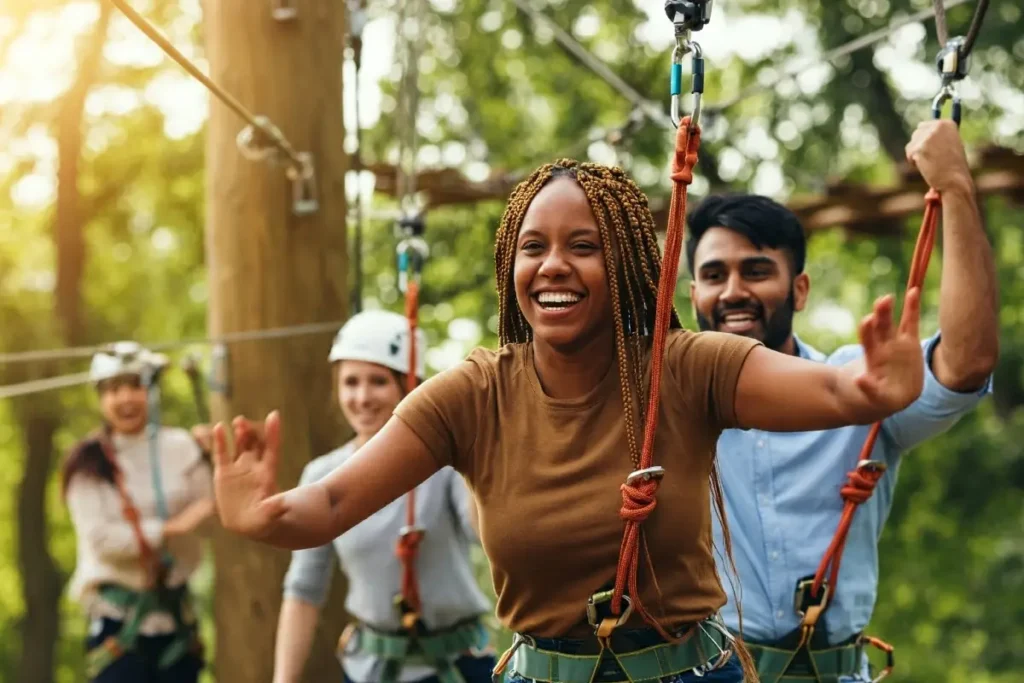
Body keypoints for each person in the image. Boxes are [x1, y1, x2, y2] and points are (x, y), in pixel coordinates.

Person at [210, 159, 927, 683]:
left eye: (584, 246)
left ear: (626, 265)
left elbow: (834, 393)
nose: (554, 265)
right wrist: (264, 516)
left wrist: (871, 384)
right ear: (509, 267)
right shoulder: (474, 393)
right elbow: (332, 500)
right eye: (534, 247)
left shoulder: (685, 368)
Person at [685, 120, 999, 682]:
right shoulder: (671, 406)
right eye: (715, 275)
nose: (733, 291)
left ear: (799, 290)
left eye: (756, 270)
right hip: (713, 670)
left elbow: (968, 360)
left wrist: (955, 186)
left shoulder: (861, 384)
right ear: (693, 295)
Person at [272, 309, 494, 683]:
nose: (361, 397)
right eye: (350, 382)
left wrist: (474, 450)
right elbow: (304, 590)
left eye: (378, 381)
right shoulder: (322, 476)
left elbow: (483, 533)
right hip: (371, 670)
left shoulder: (445, 468)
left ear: (409, 387)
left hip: (457, 666)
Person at [64, 341, 216, 683]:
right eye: (115, 389)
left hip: (176, 623)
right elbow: (103, 541)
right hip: (119, 625)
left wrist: (217, 460)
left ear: (152, 390)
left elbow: (211, 516)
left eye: (136, 385)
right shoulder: (87, 463)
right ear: (101, 398)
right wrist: (170, 530)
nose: (126, 398)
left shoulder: (183, 449)